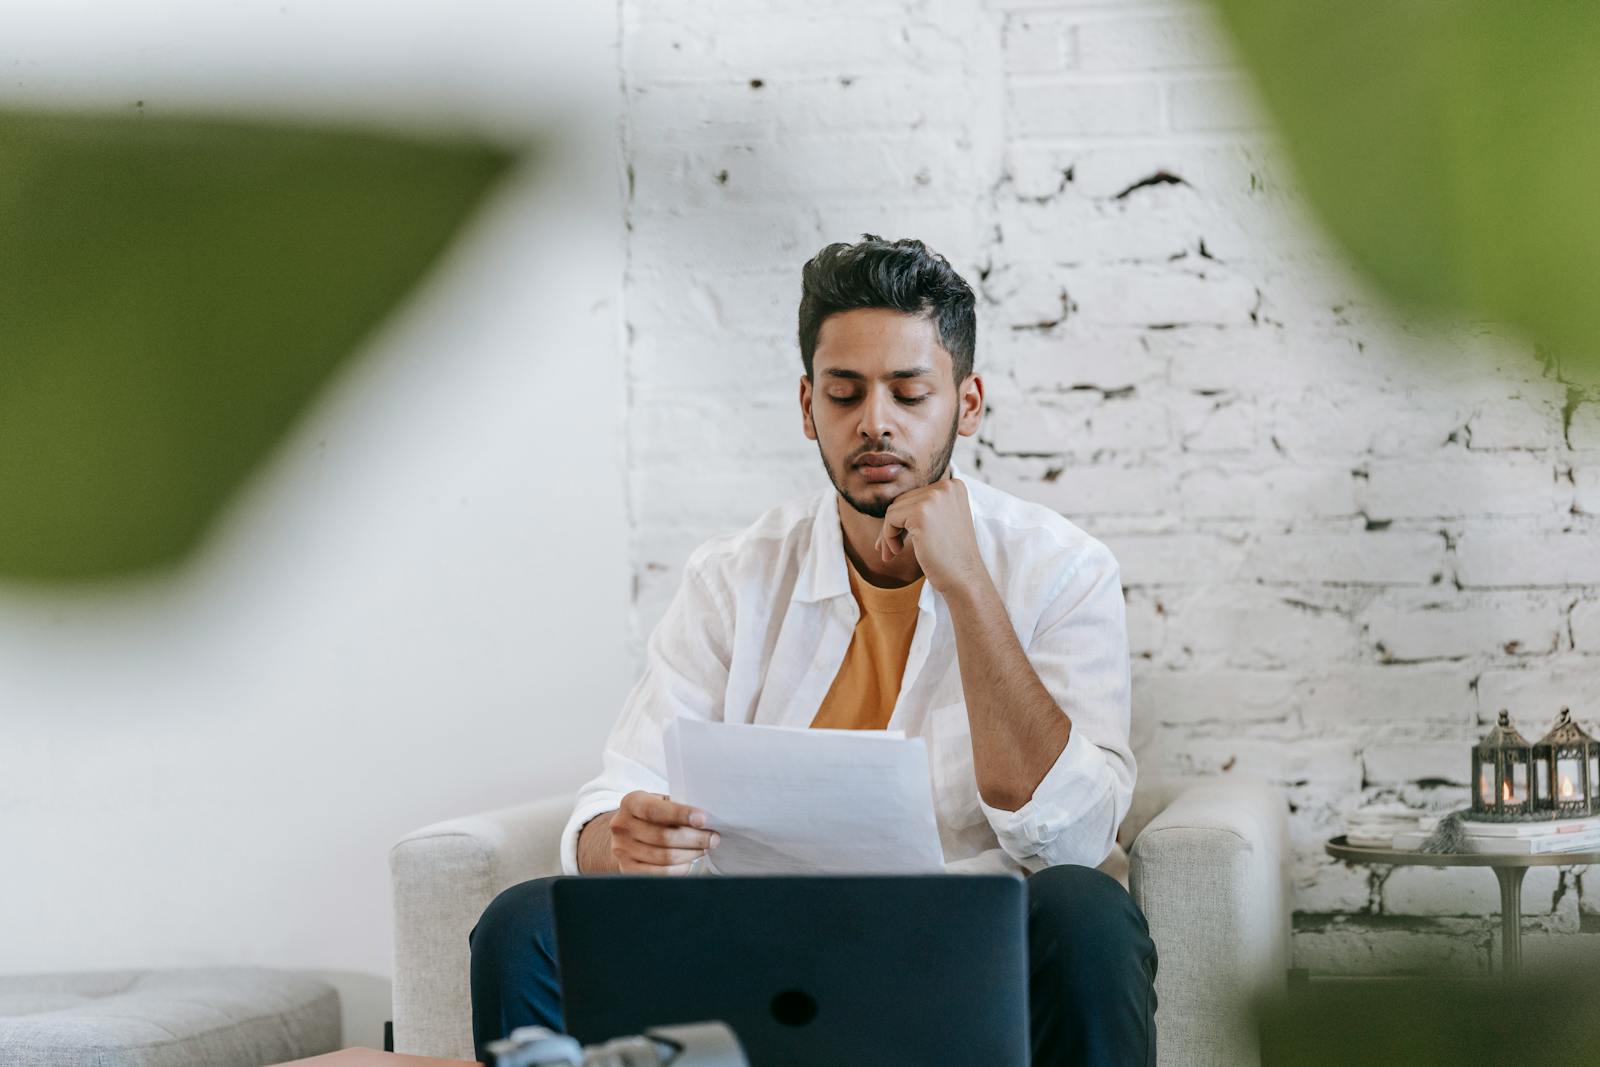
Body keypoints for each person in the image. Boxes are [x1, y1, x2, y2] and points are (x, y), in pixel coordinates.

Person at [469, 234, 1158, 1066]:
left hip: (959, 946)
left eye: (909, 393)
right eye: (844, 393)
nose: (876, 422)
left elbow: (1075, 839)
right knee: (523, 921)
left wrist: (970, 586)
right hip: (753, 940)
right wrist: (620, 840)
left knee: (1087, 911)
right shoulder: (733, 577)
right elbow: (617, 797)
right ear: (808, 408)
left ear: (967, 404)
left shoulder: (1061, 569)